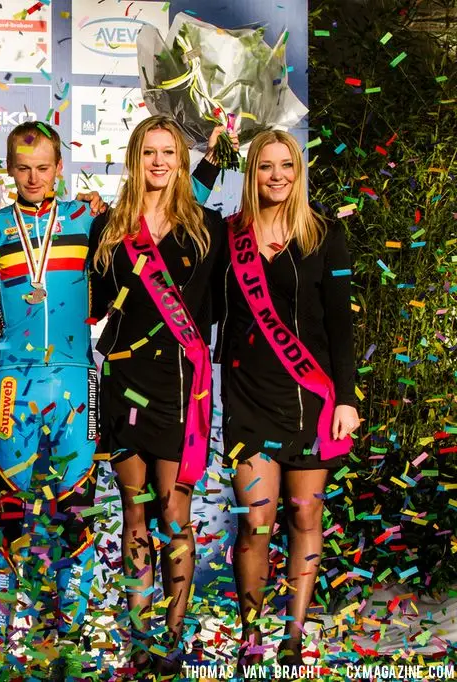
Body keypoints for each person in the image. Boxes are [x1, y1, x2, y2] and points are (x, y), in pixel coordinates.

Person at [0, 121, 100, 681]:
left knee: (76, 513)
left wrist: (212, 164)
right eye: (23, 167)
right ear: (8, 169)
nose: (34, 177)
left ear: (59, 167)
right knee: (6, 509)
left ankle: (69, 636)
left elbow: (161, 225)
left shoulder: (87, 219)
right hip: (14, 382)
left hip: (77, 380)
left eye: (44, 167)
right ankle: (0, 640)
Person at [88, 114, 226, 678]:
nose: (160, 162)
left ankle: (175, 632)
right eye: (150, 152)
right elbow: (93, 307)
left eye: (170, 152)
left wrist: (220, 157)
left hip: (178, 385)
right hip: (124, 382)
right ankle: (140, 636)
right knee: (134, 512)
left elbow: (219, 308)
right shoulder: (107, 228)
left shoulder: (205, 229)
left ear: (183, 160)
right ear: (134, 157)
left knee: (176, 512)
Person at [216, 130, 359, 671]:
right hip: (248, 398)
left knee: (304, 516)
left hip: (312, 398)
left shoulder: (324, 234)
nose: (276, 176)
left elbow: (341, 328)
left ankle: (293, 637)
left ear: (298, 173)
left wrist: (345, 398)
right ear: (250, 175)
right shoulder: (229, 235)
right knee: (256, 520)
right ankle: (251, 639)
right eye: (264, 167)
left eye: (286, 166)